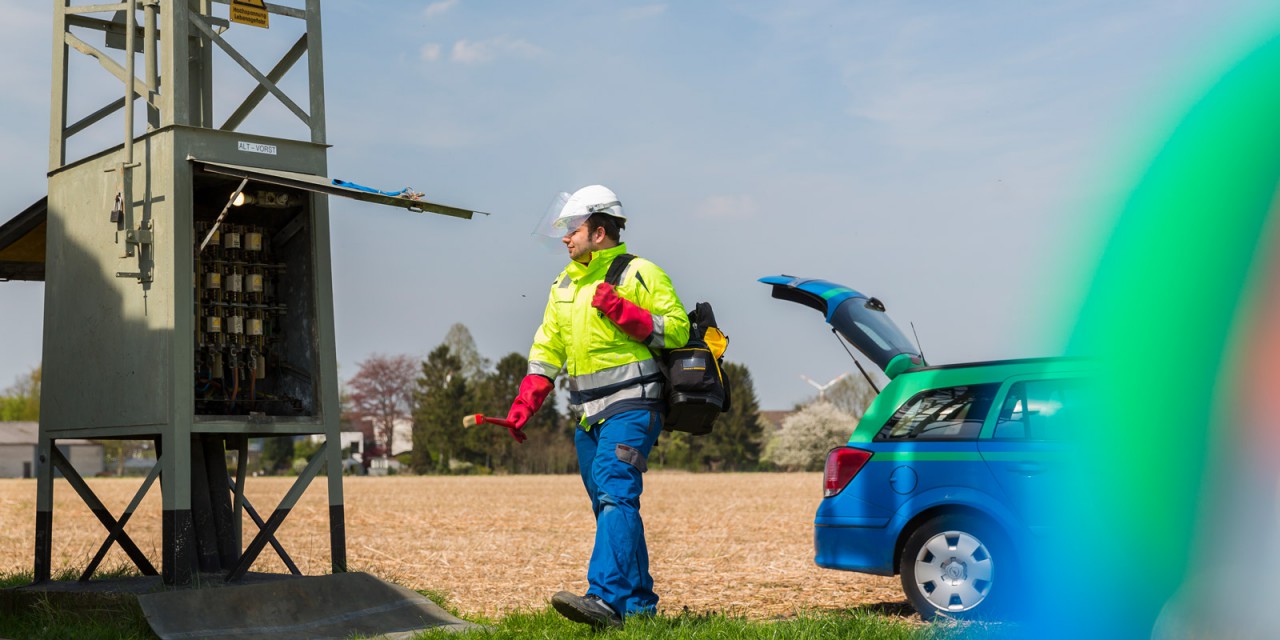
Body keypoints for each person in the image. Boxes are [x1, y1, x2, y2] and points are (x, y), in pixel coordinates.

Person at [502, 184, 689, 629]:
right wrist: (527, 400)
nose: (565, 238)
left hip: (634, 404)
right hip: (590, 415)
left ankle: (603, 599)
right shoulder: (564, 284)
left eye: (572, 228)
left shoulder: (639, 273)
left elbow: (678, 330)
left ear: (600, 231)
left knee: (614, 493)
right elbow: (547, 347)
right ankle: (640, 608)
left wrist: (628, 313)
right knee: (611, 504)